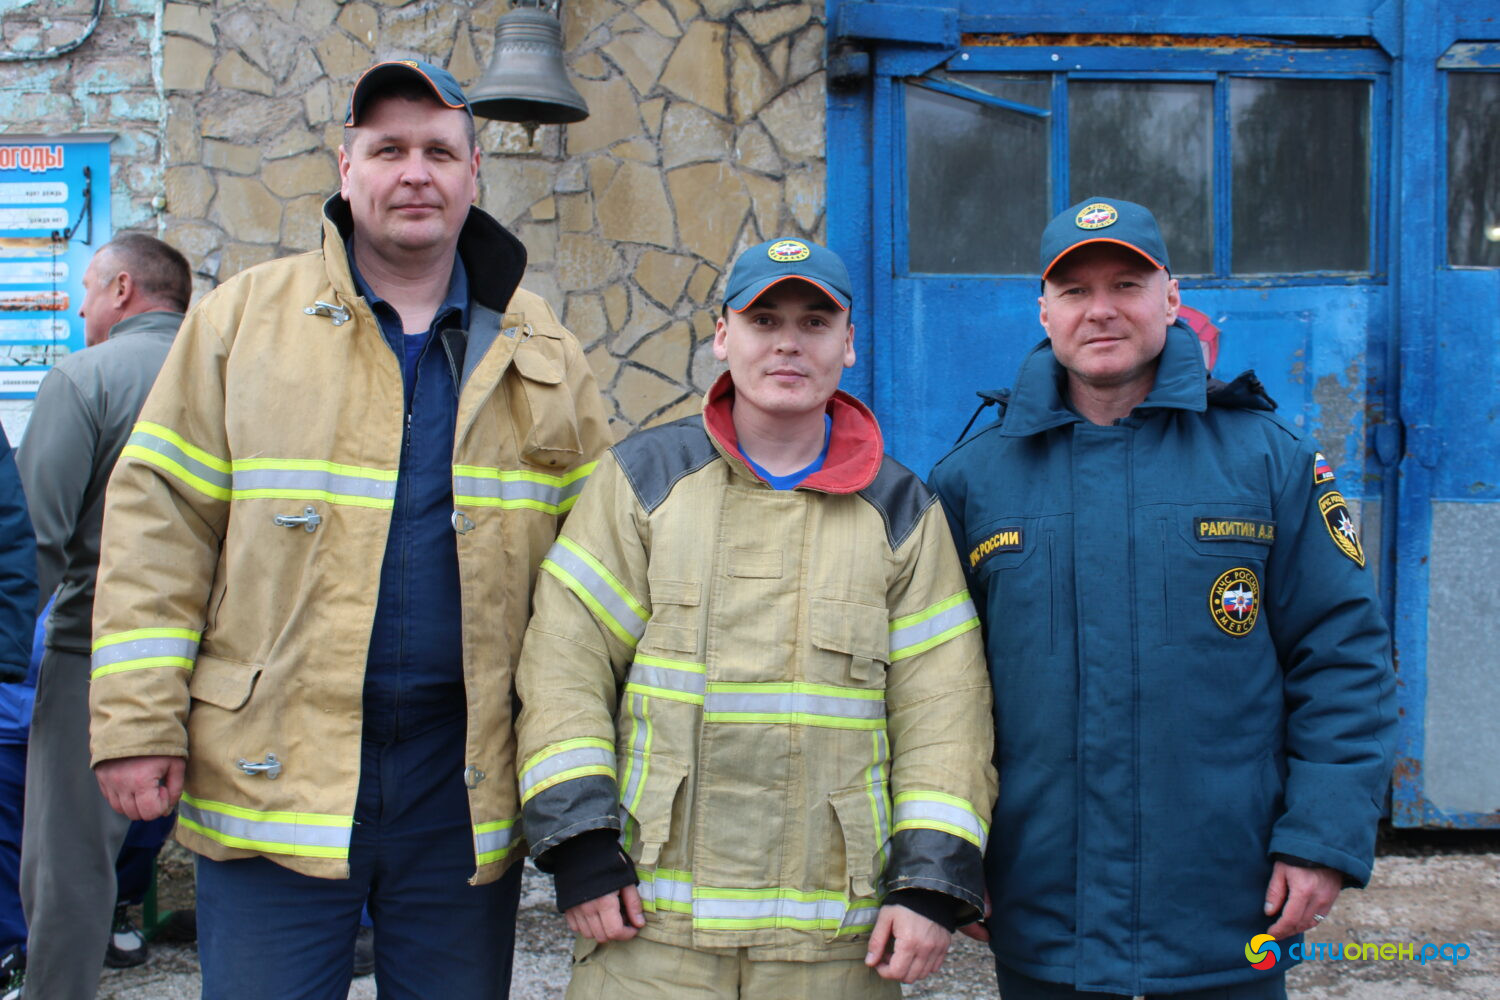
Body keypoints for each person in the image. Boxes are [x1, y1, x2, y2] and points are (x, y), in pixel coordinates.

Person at [87, 60, 610, 1000]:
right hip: (275, 766)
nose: (415, 173)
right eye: (388, 149)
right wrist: (135, 721)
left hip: (461, 783)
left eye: (438, 152)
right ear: (345, 166)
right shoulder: (243, 321)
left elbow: (595, 572)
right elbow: (158, 526)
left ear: (474, 172)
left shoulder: (544, 349)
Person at [928, 198, 1397, 999]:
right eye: (1075, 291)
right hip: (1044, 913)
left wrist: (1321, 837)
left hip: (1228, 903)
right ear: (1044, 311)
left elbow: (1344, 658)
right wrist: (949, 857)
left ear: (1171, 299)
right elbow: (934, 692)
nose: (1101, 309)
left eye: (1127, 284)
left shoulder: (1270, 461)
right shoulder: (972, 479)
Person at [515, 238, 997, 998]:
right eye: (763, 319)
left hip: (834, 945)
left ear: (848, 344)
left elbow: (946, 714)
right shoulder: (642, 482)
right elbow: (562, 665)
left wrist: (929, 884)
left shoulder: (901, 512)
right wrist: (580, 847)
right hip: (649, 929)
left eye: (814, 323)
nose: (787, 343)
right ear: (722, 336)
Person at [11, 233, 189, 999]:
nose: (80, 308)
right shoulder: (238, 375)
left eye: (87, 289)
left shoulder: (84, 378)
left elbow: (35, 543)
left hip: (98, 654)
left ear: (121, 290)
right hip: (235, 659)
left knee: (67, 870)